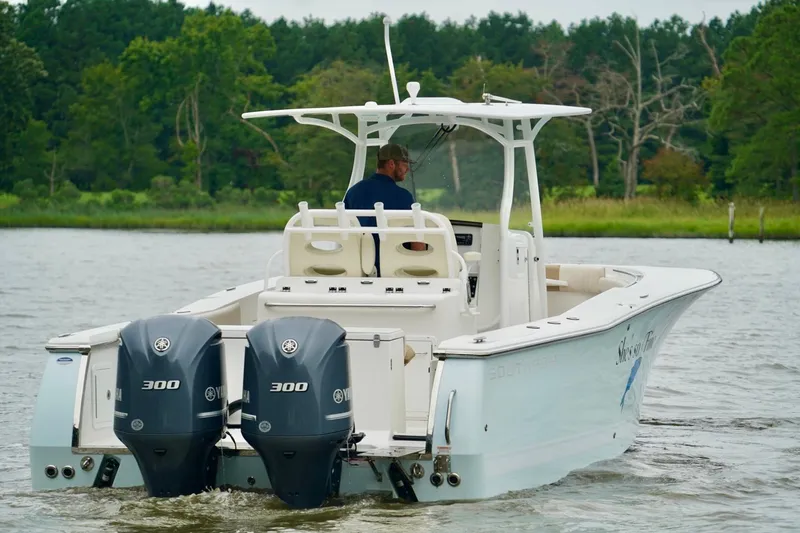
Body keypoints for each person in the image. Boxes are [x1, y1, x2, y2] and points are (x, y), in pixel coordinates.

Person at [343, 143, 425, 276]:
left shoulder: (353, 192)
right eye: (404, 163)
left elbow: (344, 235)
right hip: (394, 272)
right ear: (391, 164)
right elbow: (417, 244)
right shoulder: (404, 197)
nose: (407, 169)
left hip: (358, 272)